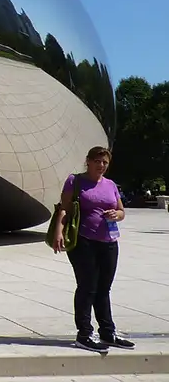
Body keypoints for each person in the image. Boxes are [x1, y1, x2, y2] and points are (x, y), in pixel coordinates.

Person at [52, 146, 135, 352]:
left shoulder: (110, 185)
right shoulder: (76, 181)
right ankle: (84, 334)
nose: (101, 165)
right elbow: (64, 208)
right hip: (83, 241)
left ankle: (107, 332)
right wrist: (58, 232)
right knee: (87, 286)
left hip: (108, 241)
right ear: (88, 161)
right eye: (97, 161)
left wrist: (117, 215)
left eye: (105, 162)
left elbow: (121, 210)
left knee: (103, 288)